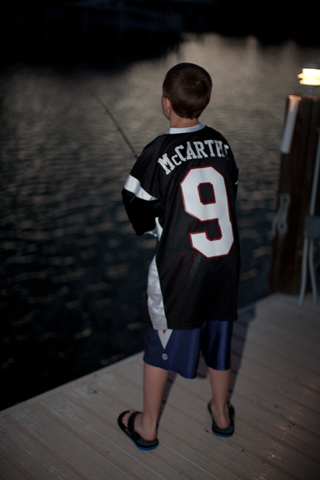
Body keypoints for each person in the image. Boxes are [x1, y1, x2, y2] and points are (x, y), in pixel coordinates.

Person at [118, 62, 240, 450]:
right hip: (223, 265)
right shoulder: (222, 143)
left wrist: (158, 222)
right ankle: (221, 412)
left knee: (159, 345)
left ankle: (147, 424)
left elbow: (135, 202)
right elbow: (229, 187)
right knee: (220, 339)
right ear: (203, 104)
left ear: (165, 103)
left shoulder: (157, 151)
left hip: (180, 273)